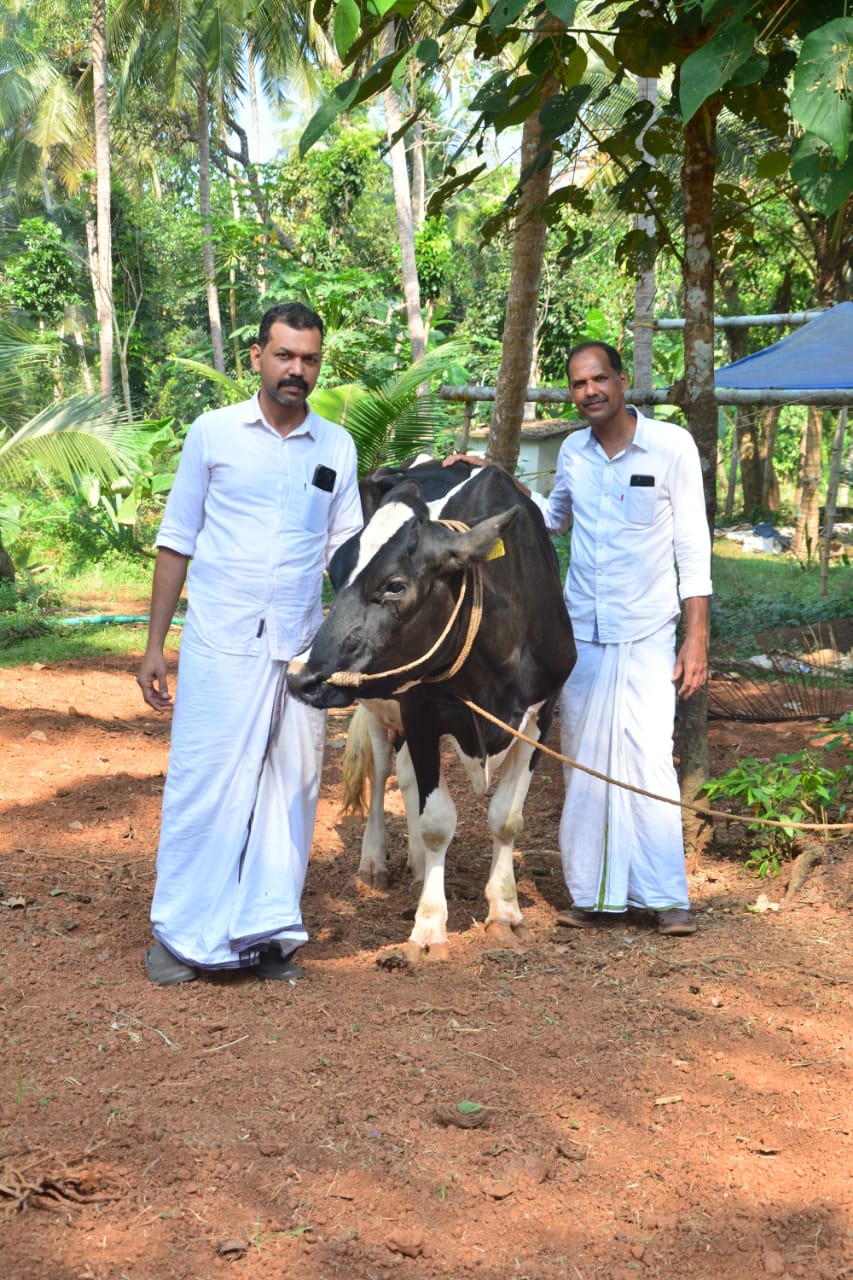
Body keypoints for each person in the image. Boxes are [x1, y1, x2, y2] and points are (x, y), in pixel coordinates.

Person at [448, 340, 711, 936]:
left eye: (599, 380)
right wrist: (496, 477)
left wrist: (696, 637)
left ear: (622, 381)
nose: (589, 391)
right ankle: (595, 895)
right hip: (584, 634)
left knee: (648, 760)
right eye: (577, 384)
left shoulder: (671, 447)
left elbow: (693, 547)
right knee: (584, 763)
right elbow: (553, 517)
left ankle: (666, 897)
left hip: (647, 631)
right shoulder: (573, 451)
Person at [137, 301, 363, 985]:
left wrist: (345, 650)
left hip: (300, 649)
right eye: (285, 355)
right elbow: (177, 540)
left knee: (289, 791)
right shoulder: (213, 434)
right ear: (258, 358)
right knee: (203, 785)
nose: (297, 369)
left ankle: (266, 935)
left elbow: (347, 553)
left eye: (309, 359)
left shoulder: (336, 447)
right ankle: (180, 936)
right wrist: (154, 647)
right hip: (220, 641)